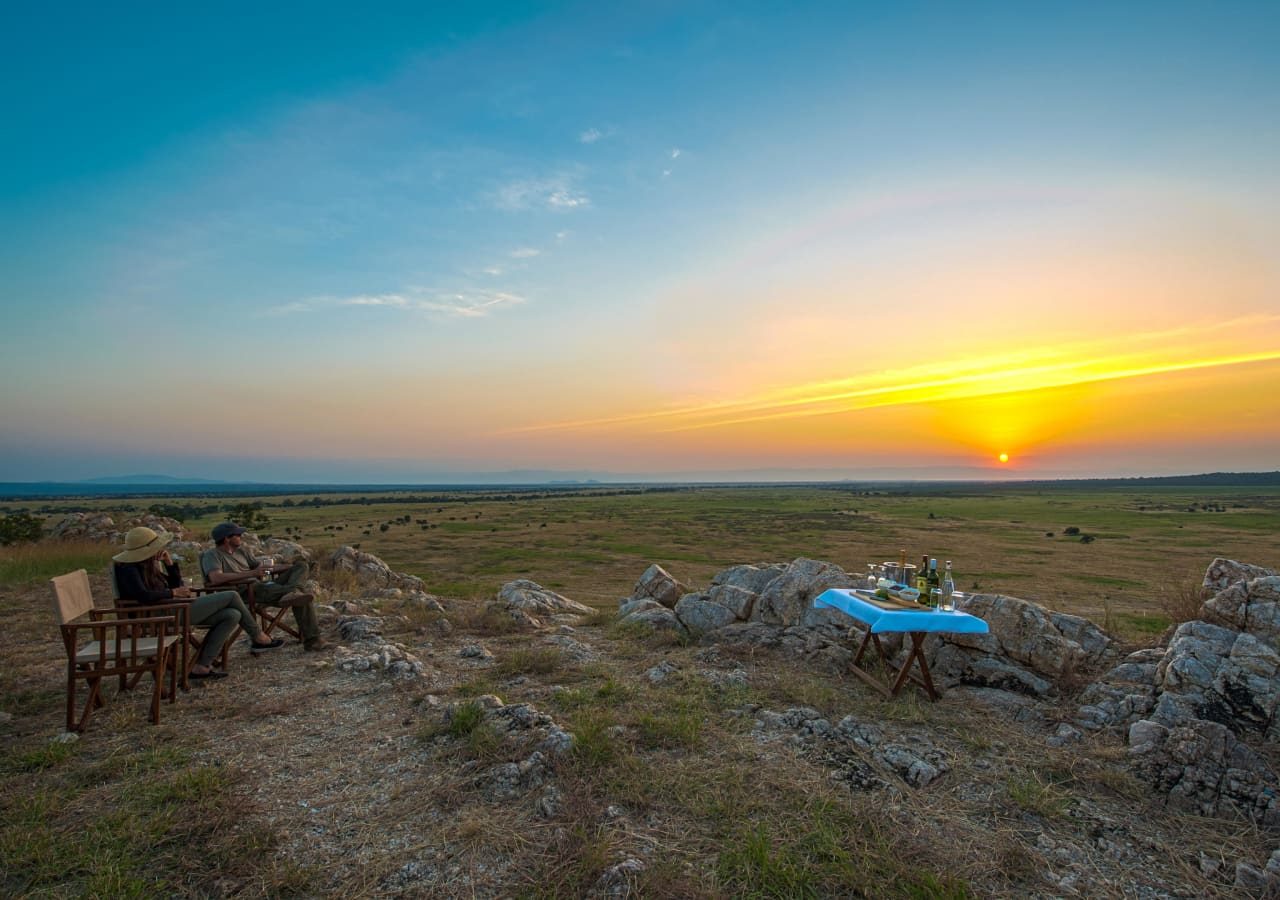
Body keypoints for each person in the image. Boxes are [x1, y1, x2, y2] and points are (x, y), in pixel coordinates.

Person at [112, 526, 284, 679]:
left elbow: (175, 585)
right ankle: (259, 637)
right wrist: (172, 592)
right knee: (231, 596)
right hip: (159, 614)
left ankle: (202, 666)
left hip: (173, 608)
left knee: (232, 614)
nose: (162, 549)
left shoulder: (148, 565)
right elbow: (143, 595)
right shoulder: (128, 569)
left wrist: (169, 565)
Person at [200, 522, 328, 651]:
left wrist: (287, 568)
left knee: (301, 566)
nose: (241, 537)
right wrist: (251, 574)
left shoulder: (242, 551)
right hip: (244, 593)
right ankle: (313, 640)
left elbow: (263, 570)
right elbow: (215, 578)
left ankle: (292, 592)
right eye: (238, 534)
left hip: (262, 587)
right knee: (301, 596)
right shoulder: (212, 555)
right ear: (227, 538)